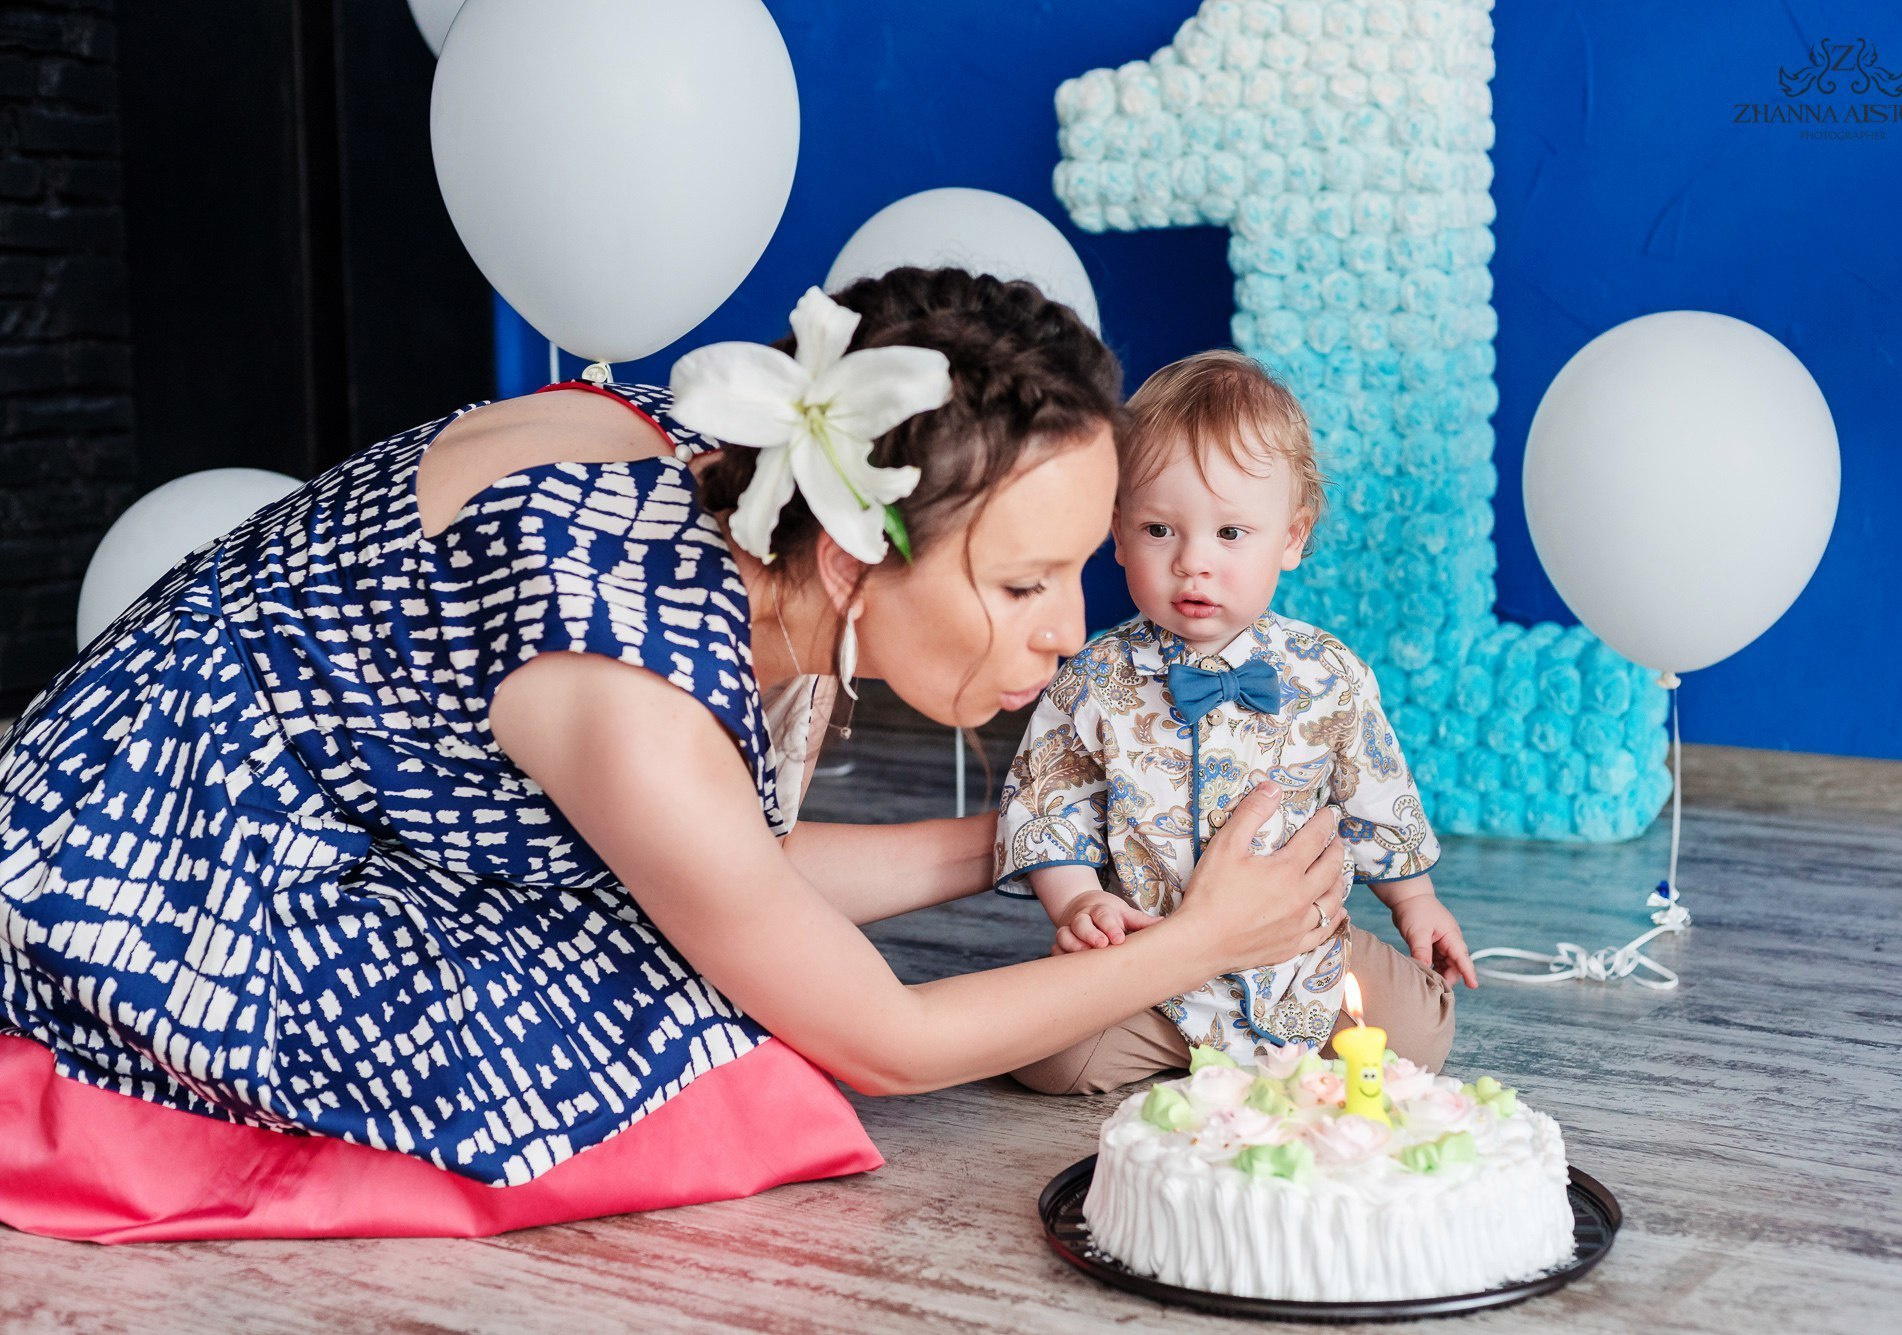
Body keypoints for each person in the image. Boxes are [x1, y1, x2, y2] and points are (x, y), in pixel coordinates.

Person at [0, 270, 1349, 1243]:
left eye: (1075, 565)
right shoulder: (622, 689)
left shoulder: (756, 465)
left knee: (726, 956)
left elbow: (734, 856)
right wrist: (1201, 938)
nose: (1067, 627)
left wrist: (1046, 836)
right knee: (714, 1068)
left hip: (354, 774)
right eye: (1021, 581)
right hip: (161, 860)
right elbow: (887, 1040)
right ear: (854, 555)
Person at [997, 350, 1477, 1097]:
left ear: (1290, 537)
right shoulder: (1090, 681)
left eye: (1230, 533)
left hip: (1299, 958)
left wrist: (1417, 902)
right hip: (1148, 969)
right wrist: (1081, 902)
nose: (1193, 562)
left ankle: (1290, 1031)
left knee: (1417, 1037)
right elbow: (1049, 808)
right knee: (1047, 1059)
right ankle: (1182, 1044)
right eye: (1160, 529)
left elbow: (1376, 793)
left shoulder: (1329, 673)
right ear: (1116, 533)